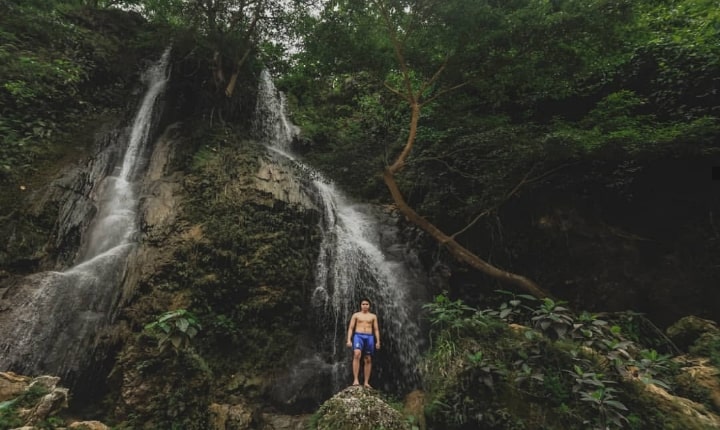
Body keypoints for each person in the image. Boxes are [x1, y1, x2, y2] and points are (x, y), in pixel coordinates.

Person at [346, 299, 381, 388]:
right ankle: (356, 379)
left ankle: (366, 382)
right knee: (357, 354)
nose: (365, 305)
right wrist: (349, 340)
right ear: (360, 305)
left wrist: (378, 341)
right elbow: (351, 328)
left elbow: (376, 329)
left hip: (369, 337)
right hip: (358, 336)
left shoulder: (373, 316)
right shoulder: (356, 315)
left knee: (368, 359)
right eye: (363, 304)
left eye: (366, 304)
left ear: (369, 305)